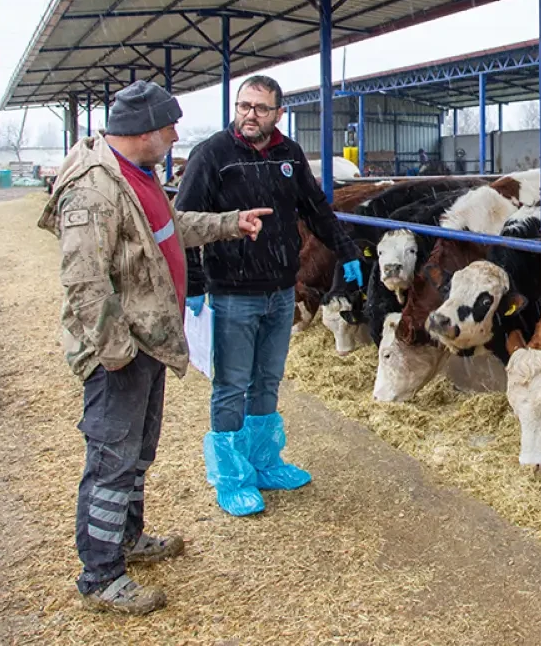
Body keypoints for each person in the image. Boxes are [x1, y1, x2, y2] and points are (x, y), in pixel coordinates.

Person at [39, 81, 272, 615]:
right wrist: (116, 353)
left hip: (149, 341)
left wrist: (229, 224)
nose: (173, 136)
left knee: (137, 453)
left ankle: (128, 538)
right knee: (111, 460)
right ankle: (101, 576)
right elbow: (83, 281)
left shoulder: (136, 176)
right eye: (168, 127)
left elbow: (170, 227)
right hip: (122, 350)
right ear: (143, 131)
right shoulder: (95, 189)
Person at [175, 75, 362, 516]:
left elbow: (315, 209)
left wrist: (347, 249)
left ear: (279, 113)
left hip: (280, 290)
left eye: (260, 108)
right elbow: (184, 221)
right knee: (231, 385)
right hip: (232, 293)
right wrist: (196, 283)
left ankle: (264, 462)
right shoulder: (213, 155)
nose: (250, 115)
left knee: (267, 379)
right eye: (244, 106)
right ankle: (231, 477)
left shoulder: (289, 154)